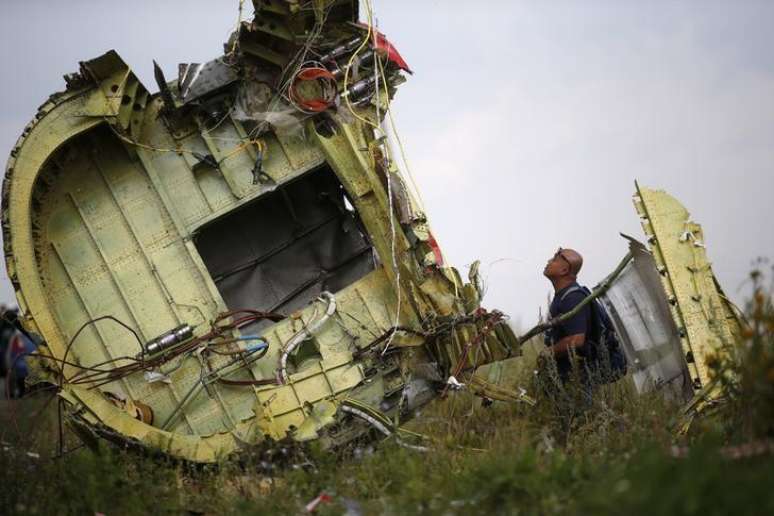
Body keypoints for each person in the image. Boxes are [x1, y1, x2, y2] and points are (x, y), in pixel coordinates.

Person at [541, 247, 595, 385]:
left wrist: (549, 352)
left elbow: (577, 339)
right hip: (566, 373)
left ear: (564, 270)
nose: (549, 261)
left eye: (554, 259)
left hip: (577, 377)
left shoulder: (573, 298)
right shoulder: (563, 295)